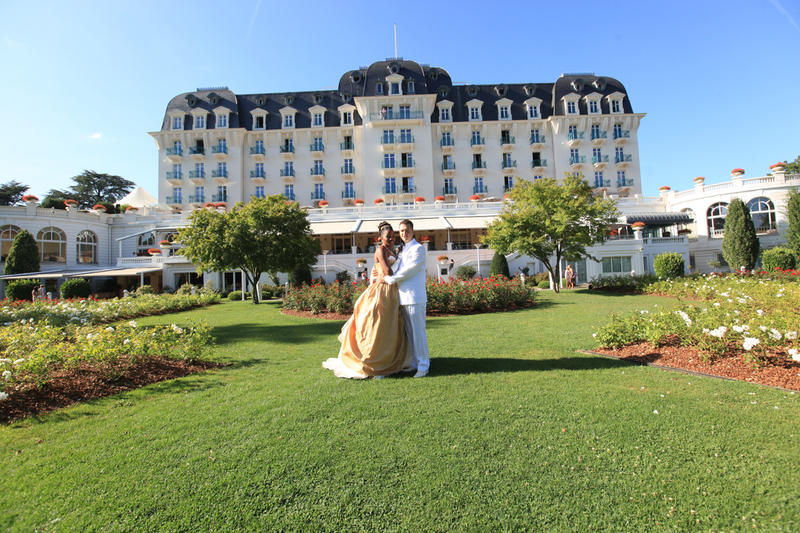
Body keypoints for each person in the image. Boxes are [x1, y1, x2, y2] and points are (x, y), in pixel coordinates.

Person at [323, 222, 410, 379]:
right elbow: (388, 271)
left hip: (392, 291)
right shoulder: (381, 250)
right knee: (378, 326)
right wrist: (399, 269)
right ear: (380, 238)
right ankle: (374, 364)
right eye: (388, 237)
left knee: (390, 328)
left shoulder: (392, 251)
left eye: (393, 236)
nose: (391, 239)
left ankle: (387, 360)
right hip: (382, 292)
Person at [377, 219, 430, 378]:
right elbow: (395, 268)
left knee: (418, 333)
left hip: (415, 297)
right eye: (401, 231)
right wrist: (379, 274)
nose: (404, 233)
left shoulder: (418, 248)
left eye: (407, 230)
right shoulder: (402, 249)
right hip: (402, 297)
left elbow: (409, 270)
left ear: (413, 231)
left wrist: (389, 280)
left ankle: (424, 366)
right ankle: (414, 363)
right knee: (409, 334)